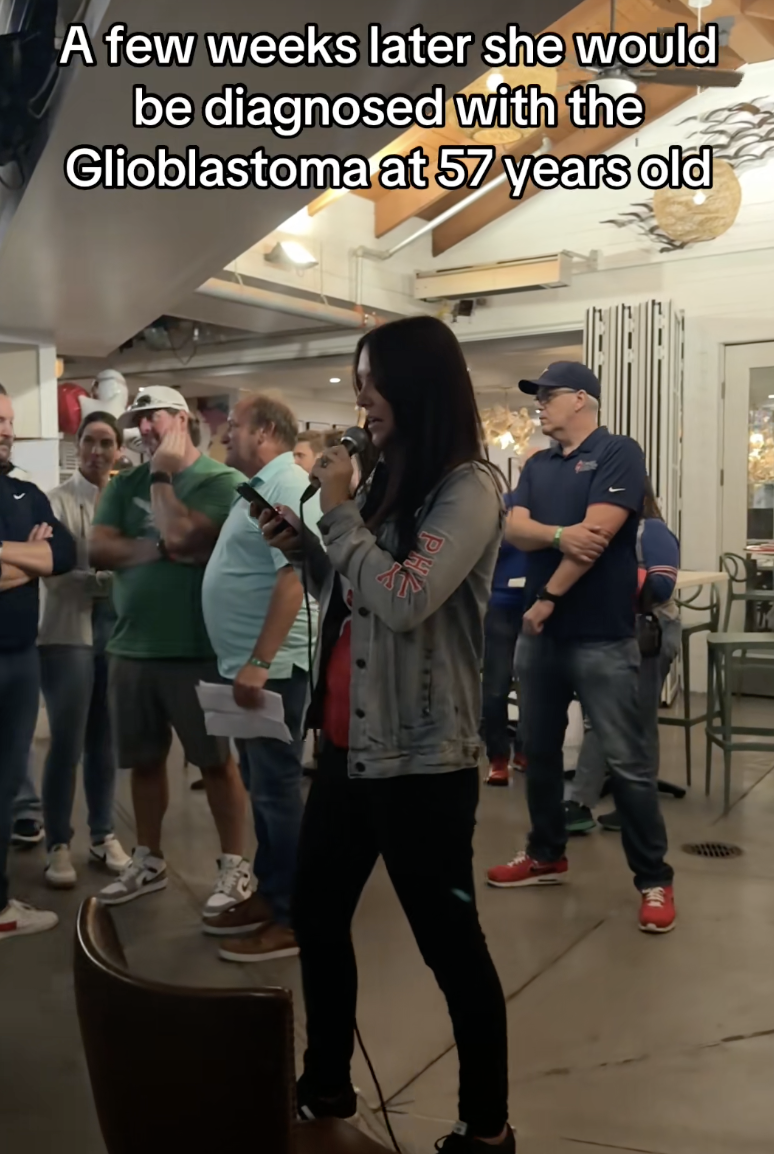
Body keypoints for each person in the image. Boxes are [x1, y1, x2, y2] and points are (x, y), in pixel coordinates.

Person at [261, 316, 514, 1153]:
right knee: (321, 920)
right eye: (357, 378)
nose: (360, 397)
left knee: (451, 948)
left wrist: (335, 514)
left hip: (421, 764)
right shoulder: (386, 481)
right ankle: (326, 1085)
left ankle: (485, 1128)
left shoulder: (469, 488)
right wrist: (309, 545)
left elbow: (406, 597)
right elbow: (358, 589)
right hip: (347, 753)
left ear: (416, 385)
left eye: (371, 380)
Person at [486, 363, 676, 935]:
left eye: (548, 397)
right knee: (539, 755)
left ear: (581, 399)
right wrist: (558, 534)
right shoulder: (537, 464)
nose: (539, 406)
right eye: (537, 396)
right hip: (542, 642)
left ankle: (654, 880)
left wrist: (544, 598)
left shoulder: (618, 452)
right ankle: (546, 853)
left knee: (628, 764)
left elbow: (598, 535)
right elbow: (514, 527)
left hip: (598, 635)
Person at [89, 386, 251, 919]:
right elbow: (98, 549)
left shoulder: (222, 483)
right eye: (138, 420)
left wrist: (162, 477)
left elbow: (188, 537)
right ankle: (149, 859)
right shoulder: (123, 482)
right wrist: (159, 549)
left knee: (216, 762)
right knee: (144, 762)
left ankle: (234, 864)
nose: (144, 430)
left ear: (183, 420)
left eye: (153, 418)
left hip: (199, 648)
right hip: (132, 646)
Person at [200, 394, 321, 961]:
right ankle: (274, 897)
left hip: (271, 669)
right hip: (252, 666)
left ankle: (295, 918)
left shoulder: (285, 486)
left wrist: (260, 660)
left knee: (275, 793)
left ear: (267, 430)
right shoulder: (259, 487)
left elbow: (295, 578)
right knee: (263, 787)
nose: (226, 435)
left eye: (236, 426)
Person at [37, 411, 131, 888]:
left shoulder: (127, 504)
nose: (98, 451)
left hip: (114, 638)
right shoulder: (53, 503)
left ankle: (103, 833)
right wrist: (107, 580)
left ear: (118, 450)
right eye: (90, 441)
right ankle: (57, 843)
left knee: (105, 742)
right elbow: (54, 574)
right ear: (78, 446)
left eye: (106, 442)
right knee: (67, 744)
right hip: (66, 638)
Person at [0, 385, 77, 940]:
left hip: (20, 660)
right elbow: (44, 561)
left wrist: (15, 558)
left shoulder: (25, 494)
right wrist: (32, 560)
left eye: (7, 420)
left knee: (6, 784)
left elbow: (63, 555)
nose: (5, 429)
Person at [564, 482, 681, 834]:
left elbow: (661, 584)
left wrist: (607, 578)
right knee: (636, 720)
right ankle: (635, 808)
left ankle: (581, 802)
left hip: (648, 632)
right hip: (621, 630)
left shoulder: (653, 531)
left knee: (610, 716)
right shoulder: (610, 533)